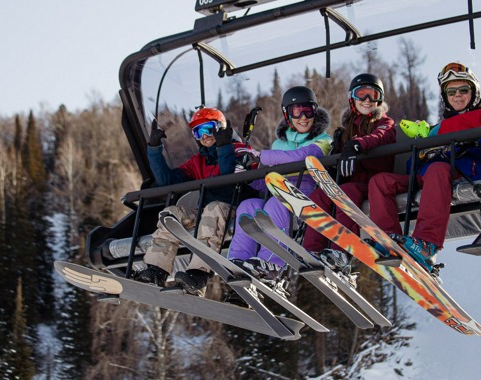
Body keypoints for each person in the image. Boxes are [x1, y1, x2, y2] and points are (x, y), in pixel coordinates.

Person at [367, 62, 481, 272]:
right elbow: (413, 165)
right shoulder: (438, 129)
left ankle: (426, 244)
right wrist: (423, 153)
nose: (457, 96)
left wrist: (477, 139)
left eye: (463, 90)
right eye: (451, 91)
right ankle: (388, 239)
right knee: (380, 182)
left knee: (437, 169)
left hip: (465, 173)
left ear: (474, 92)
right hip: (431, 175)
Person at [135, 107, 244, 295]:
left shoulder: (240, 150)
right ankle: (156, 269)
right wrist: (154, 149)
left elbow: (230, 178)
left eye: (208, 129)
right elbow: (167, 180)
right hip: (206, 212)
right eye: (198, 132)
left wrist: (224, 146)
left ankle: (198, 274)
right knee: (171, 213)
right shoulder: (198, 162)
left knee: (213, 209)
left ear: (220, 127)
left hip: (235, 209)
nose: (204, 136)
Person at [227, 86, 333, 279]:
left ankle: (272, 264)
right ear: (287, 114)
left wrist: (261, 156)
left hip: (308, 197)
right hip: (278, 193)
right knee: (248, 206)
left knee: (276, 203)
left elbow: (305, 156)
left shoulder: (324, 140)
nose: (303, 117)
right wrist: (248, 175)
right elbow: (267, 180)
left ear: (315, 111)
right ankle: (238, 261)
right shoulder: (278, 146)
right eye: (296, 111)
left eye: (308, 110)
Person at [301, 73, 397, 272]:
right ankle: (312, 249)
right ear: (352, 98)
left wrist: (356, 145)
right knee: (319, 196)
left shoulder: (385, 123)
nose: (367, 100)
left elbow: (379, 137)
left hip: (372, 182)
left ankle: (341, 252)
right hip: (349, 182)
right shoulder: (346, 129)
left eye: (373, 95)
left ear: (380, 99)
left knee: (347, 192)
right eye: (361, 94)